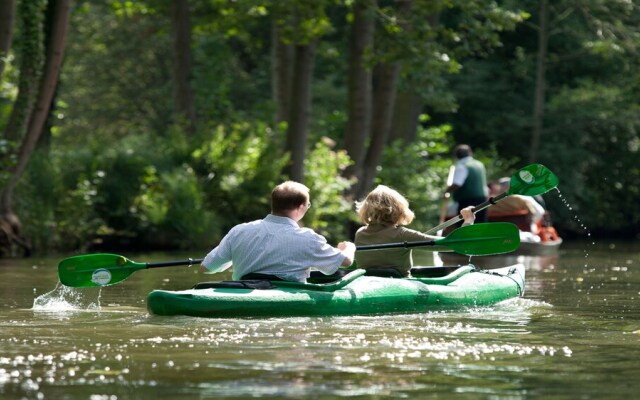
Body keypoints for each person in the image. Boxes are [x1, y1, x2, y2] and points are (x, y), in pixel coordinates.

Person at [200, 181, 356, 282]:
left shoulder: (239, 231)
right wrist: (349, 247)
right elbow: (345, 263)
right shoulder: (309, 238)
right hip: (288, 299)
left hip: (244, 293)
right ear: (301, 207)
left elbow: (206, 268)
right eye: (308, 205)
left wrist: (237, 255)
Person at [354, 185, 475, 277]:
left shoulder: (360, 233)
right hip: (398, 283)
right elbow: (455, 243)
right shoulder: (402, 234)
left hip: (368, 280)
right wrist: (468, 220)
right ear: (399, 210)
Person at [488, 177, 545, 242]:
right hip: (520, 230)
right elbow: (537, 212)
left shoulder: (491, 201)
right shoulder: (523, 199)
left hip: (502, 231)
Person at [443, 144, 489, 225]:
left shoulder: (461, 166)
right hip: (482, 199)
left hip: (467, 201)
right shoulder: (479, 164)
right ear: (470, 153)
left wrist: (446, 191)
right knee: (480, 225)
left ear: (457, 155)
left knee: (464, 225)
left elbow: (457, 184)